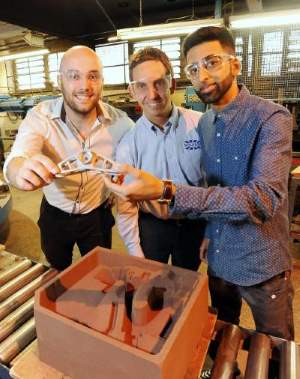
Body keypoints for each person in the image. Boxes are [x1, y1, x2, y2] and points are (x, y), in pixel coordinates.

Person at [105, 27, 294, 341]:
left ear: (235, 63)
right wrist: (209, 232)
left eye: (212, 62)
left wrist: (168, 191)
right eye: (194, 68)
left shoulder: (270, 118)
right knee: (221, 333)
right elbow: (214, 185)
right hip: (217, 257)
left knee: (275, 346)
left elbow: (262, 198)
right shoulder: (207, 124)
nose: (203, 74)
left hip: (260, 263)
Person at [4, 46, 134, 271]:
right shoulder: (41, 117)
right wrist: (19, 170)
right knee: (55, 271)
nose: (84, 86)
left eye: (93, 76)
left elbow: (143, 156)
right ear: (59, 81)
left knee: (100, 271)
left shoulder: (121, 123)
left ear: (102, 80)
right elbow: (19, 155)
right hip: (55, 214)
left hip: (97, 215)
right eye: (74, 76)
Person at [116, 47, 205, 270]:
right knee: (151, 287)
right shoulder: (128, 144)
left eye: (159, 83)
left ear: (172, 84)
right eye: (142, 86)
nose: (153, 94)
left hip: (194, 225)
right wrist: (135, 251)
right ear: (132, 91)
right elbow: (125, 205)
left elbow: (217, 185)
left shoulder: (201, 126)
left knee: (185, 286)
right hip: (152, 227)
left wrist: (213, 231)